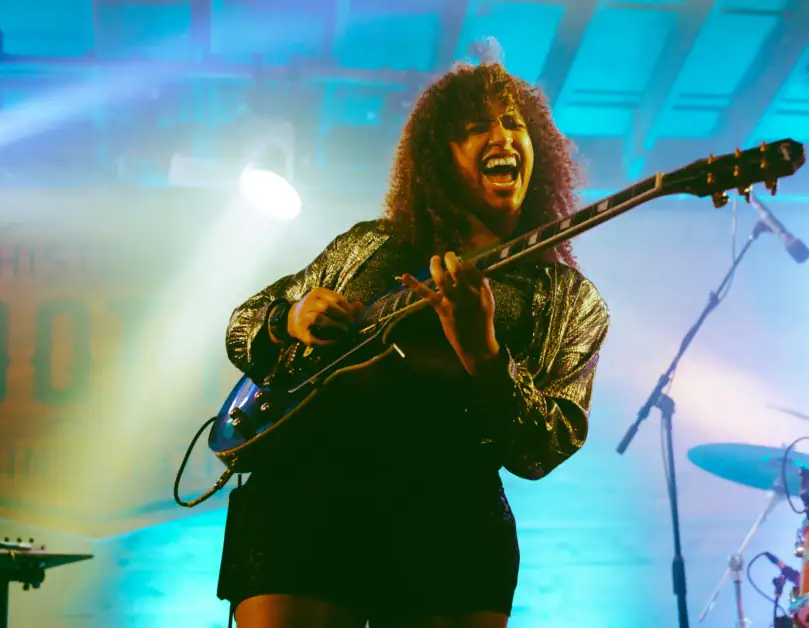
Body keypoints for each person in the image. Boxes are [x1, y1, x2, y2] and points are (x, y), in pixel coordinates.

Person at [215, 60, 610, 628]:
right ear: (440, 158)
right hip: (308, 498)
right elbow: (242, 326)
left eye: (514, 124)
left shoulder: (567, 297)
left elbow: (544, 447)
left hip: (451, 521)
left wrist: (484, 356)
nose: (502, 137)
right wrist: (290, 316)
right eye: (477, 127)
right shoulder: (368, 246)